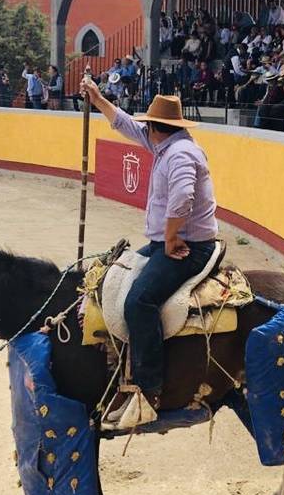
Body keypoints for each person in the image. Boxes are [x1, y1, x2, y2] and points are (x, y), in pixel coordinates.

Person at [81, 79, 219, 431]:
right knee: (115, 273)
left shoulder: (180, 154)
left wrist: (172, 237)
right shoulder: (164, 144)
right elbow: (126, 123)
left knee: (138, 303)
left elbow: (184, 197)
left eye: (147, 125)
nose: (142, 128)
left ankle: (150, 391)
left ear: (156, 127)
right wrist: (98, 99)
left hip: (188, 246)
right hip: (166, 242)